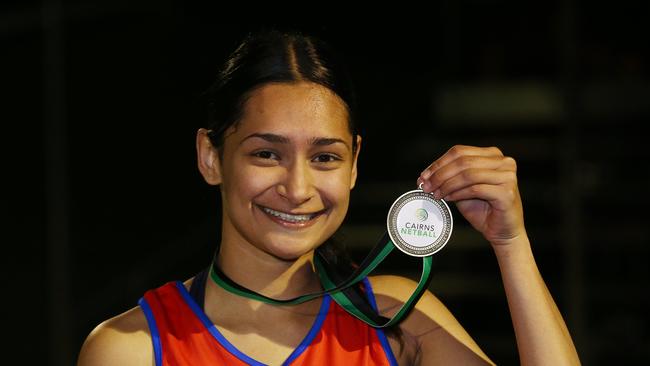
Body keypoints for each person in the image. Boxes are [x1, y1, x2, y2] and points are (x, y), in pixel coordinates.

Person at [77, 29, 580, 365]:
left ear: (355, 163)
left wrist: (511, 244)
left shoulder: (395, 317)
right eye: (266, 155)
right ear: (211, 157)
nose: (297, 190)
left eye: (324, 158)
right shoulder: (133, 349)